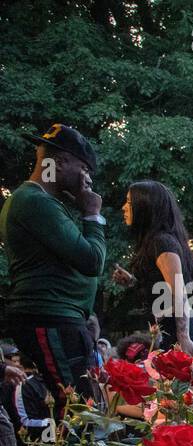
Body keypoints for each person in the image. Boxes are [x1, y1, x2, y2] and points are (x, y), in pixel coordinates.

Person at [0, 124, 106, 414]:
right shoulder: (35, 202)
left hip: (60, 318)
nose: (87, 180)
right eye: (84, 169)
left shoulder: (42, 202)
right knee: (78, 408)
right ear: (61, 163)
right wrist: (92, 215)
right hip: (50, 318)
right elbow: (92, 261)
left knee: (80, 404)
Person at [112, 180, 193, 362]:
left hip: (186, 335)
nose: (124, 208)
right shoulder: (156, 242)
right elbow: (162, 288)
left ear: (145, 207)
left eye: (129, 203)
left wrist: (184, 337)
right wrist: (133, 282)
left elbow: (178, 292)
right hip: (172, 333)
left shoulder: (162, 242)